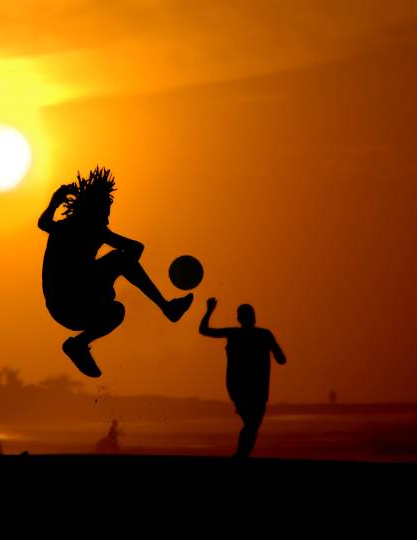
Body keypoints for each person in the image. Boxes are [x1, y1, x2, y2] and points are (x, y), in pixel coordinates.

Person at [39, 166, 193, 378]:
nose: (108, 217)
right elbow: (136, 248)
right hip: (70, 302)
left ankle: (79, 344)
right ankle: (167, 307)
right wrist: (109, 279)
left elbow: (44, 223)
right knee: (120, 260)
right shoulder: (87, 228)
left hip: (67, 307)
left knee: (116, 310)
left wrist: (55, 201)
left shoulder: (72, 226)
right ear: (95, 209)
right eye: (106, 211)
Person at [199, 298, 286, 459]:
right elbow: (281, 359)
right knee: (252, 424)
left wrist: (209, 310)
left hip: (248, 389)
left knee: (251, 425)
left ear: (239, 319)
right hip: (247, 389)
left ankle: (241, 455)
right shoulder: (262, 334)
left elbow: (204, 330)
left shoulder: (240, 334)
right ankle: (241, 455)